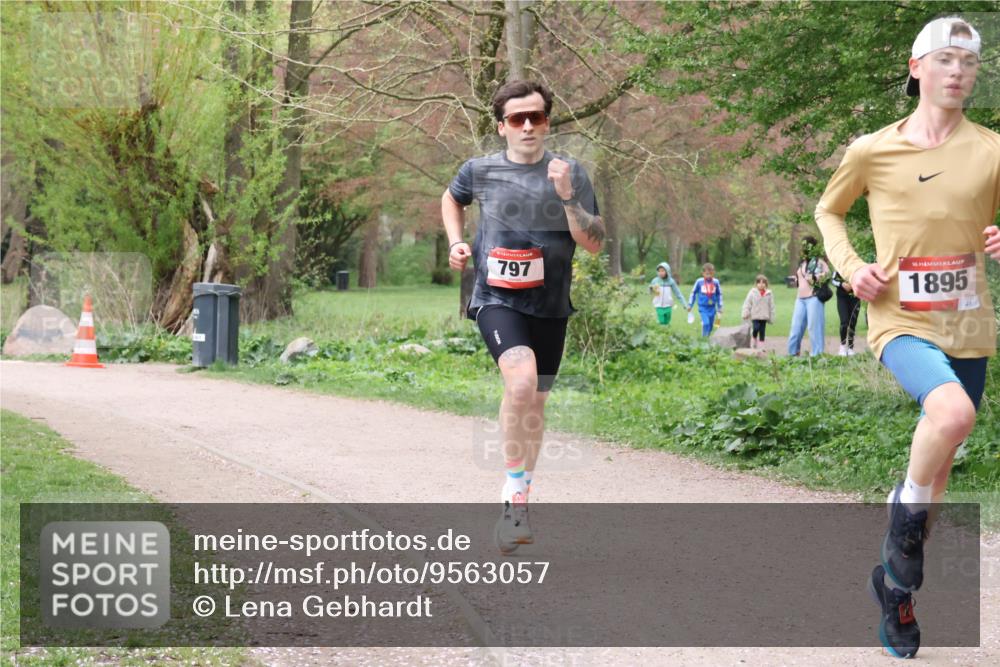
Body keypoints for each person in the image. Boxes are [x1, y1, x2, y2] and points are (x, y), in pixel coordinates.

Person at [814, 16, 1000, 659]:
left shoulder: (993, 148)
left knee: (942, 460)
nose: (958, 72)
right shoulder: (872, 149)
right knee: (951, 412)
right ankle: (901, 529)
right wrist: (851, 267)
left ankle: (895, 591)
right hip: (899, 318)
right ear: (917, 68)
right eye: (946, 60)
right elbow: (828, 210)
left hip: (969, 322)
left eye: (969, 63)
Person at [441, 80, 604, 554]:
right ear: (502, 127)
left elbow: (593, 244)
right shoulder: (480, 170)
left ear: (548, 121)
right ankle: (514, 495)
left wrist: (568, 196)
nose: (527, 125)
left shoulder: (570, 172)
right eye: (517, 118)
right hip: (496, 297)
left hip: (552, 304)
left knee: (535, 405)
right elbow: (451, 199)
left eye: (536, 116)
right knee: (520, 384)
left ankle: (519, 499)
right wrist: (456, 241)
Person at [786, 236, 829, 356]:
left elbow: (827, 275)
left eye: (806, 245)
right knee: (796, 327)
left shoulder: (819, 262)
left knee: (814, 328)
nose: (803, 247)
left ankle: (817, 355)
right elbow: (800, 279)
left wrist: (815, 277)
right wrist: (794, 280)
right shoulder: (802, 263)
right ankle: (792, 354)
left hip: (814, 298)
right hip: (800, 299)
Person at [687, 263, 723, 337]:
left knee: (710, 326)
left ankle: (707, 338)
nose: (709, 276)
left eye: (710, 274)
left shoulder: (716, 282)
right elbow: (693, 293)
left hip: (712, 307)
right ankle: (704, 338)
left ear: (713, 273)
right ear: (703, 273)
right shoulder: (699, 282)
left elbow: (719, 294)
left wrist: (720, 306)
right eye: (707, 274)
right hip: (703, 307)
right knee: (705, 323)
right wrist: (690, 304)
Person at [741, 274, 775, 349]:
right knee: (756, 328)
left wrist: (771, 317)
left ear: (766, 284)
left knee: (762, 331)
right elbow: (747, 303)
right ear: (756, 284)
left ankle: (762, 347)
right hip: (755, 315)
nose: (761, 284)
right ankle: (754, 340)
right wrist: (745, 312)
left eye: (763, 283)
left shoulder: (769, 294)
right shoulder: (752, 292)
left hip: (764, 316)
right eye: (759, 282)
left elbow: (771, 306)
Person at [831, 271, 862, 355]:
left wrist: (854, 284)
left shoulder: (857, 266)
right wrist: (841, 284)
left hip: (855, 297)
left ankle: (851, 348)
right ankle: (842, 346)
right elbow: (833, 280)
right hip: (842, 298)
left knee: (852, 323)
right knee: (844, 322)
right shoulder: (839, 266)